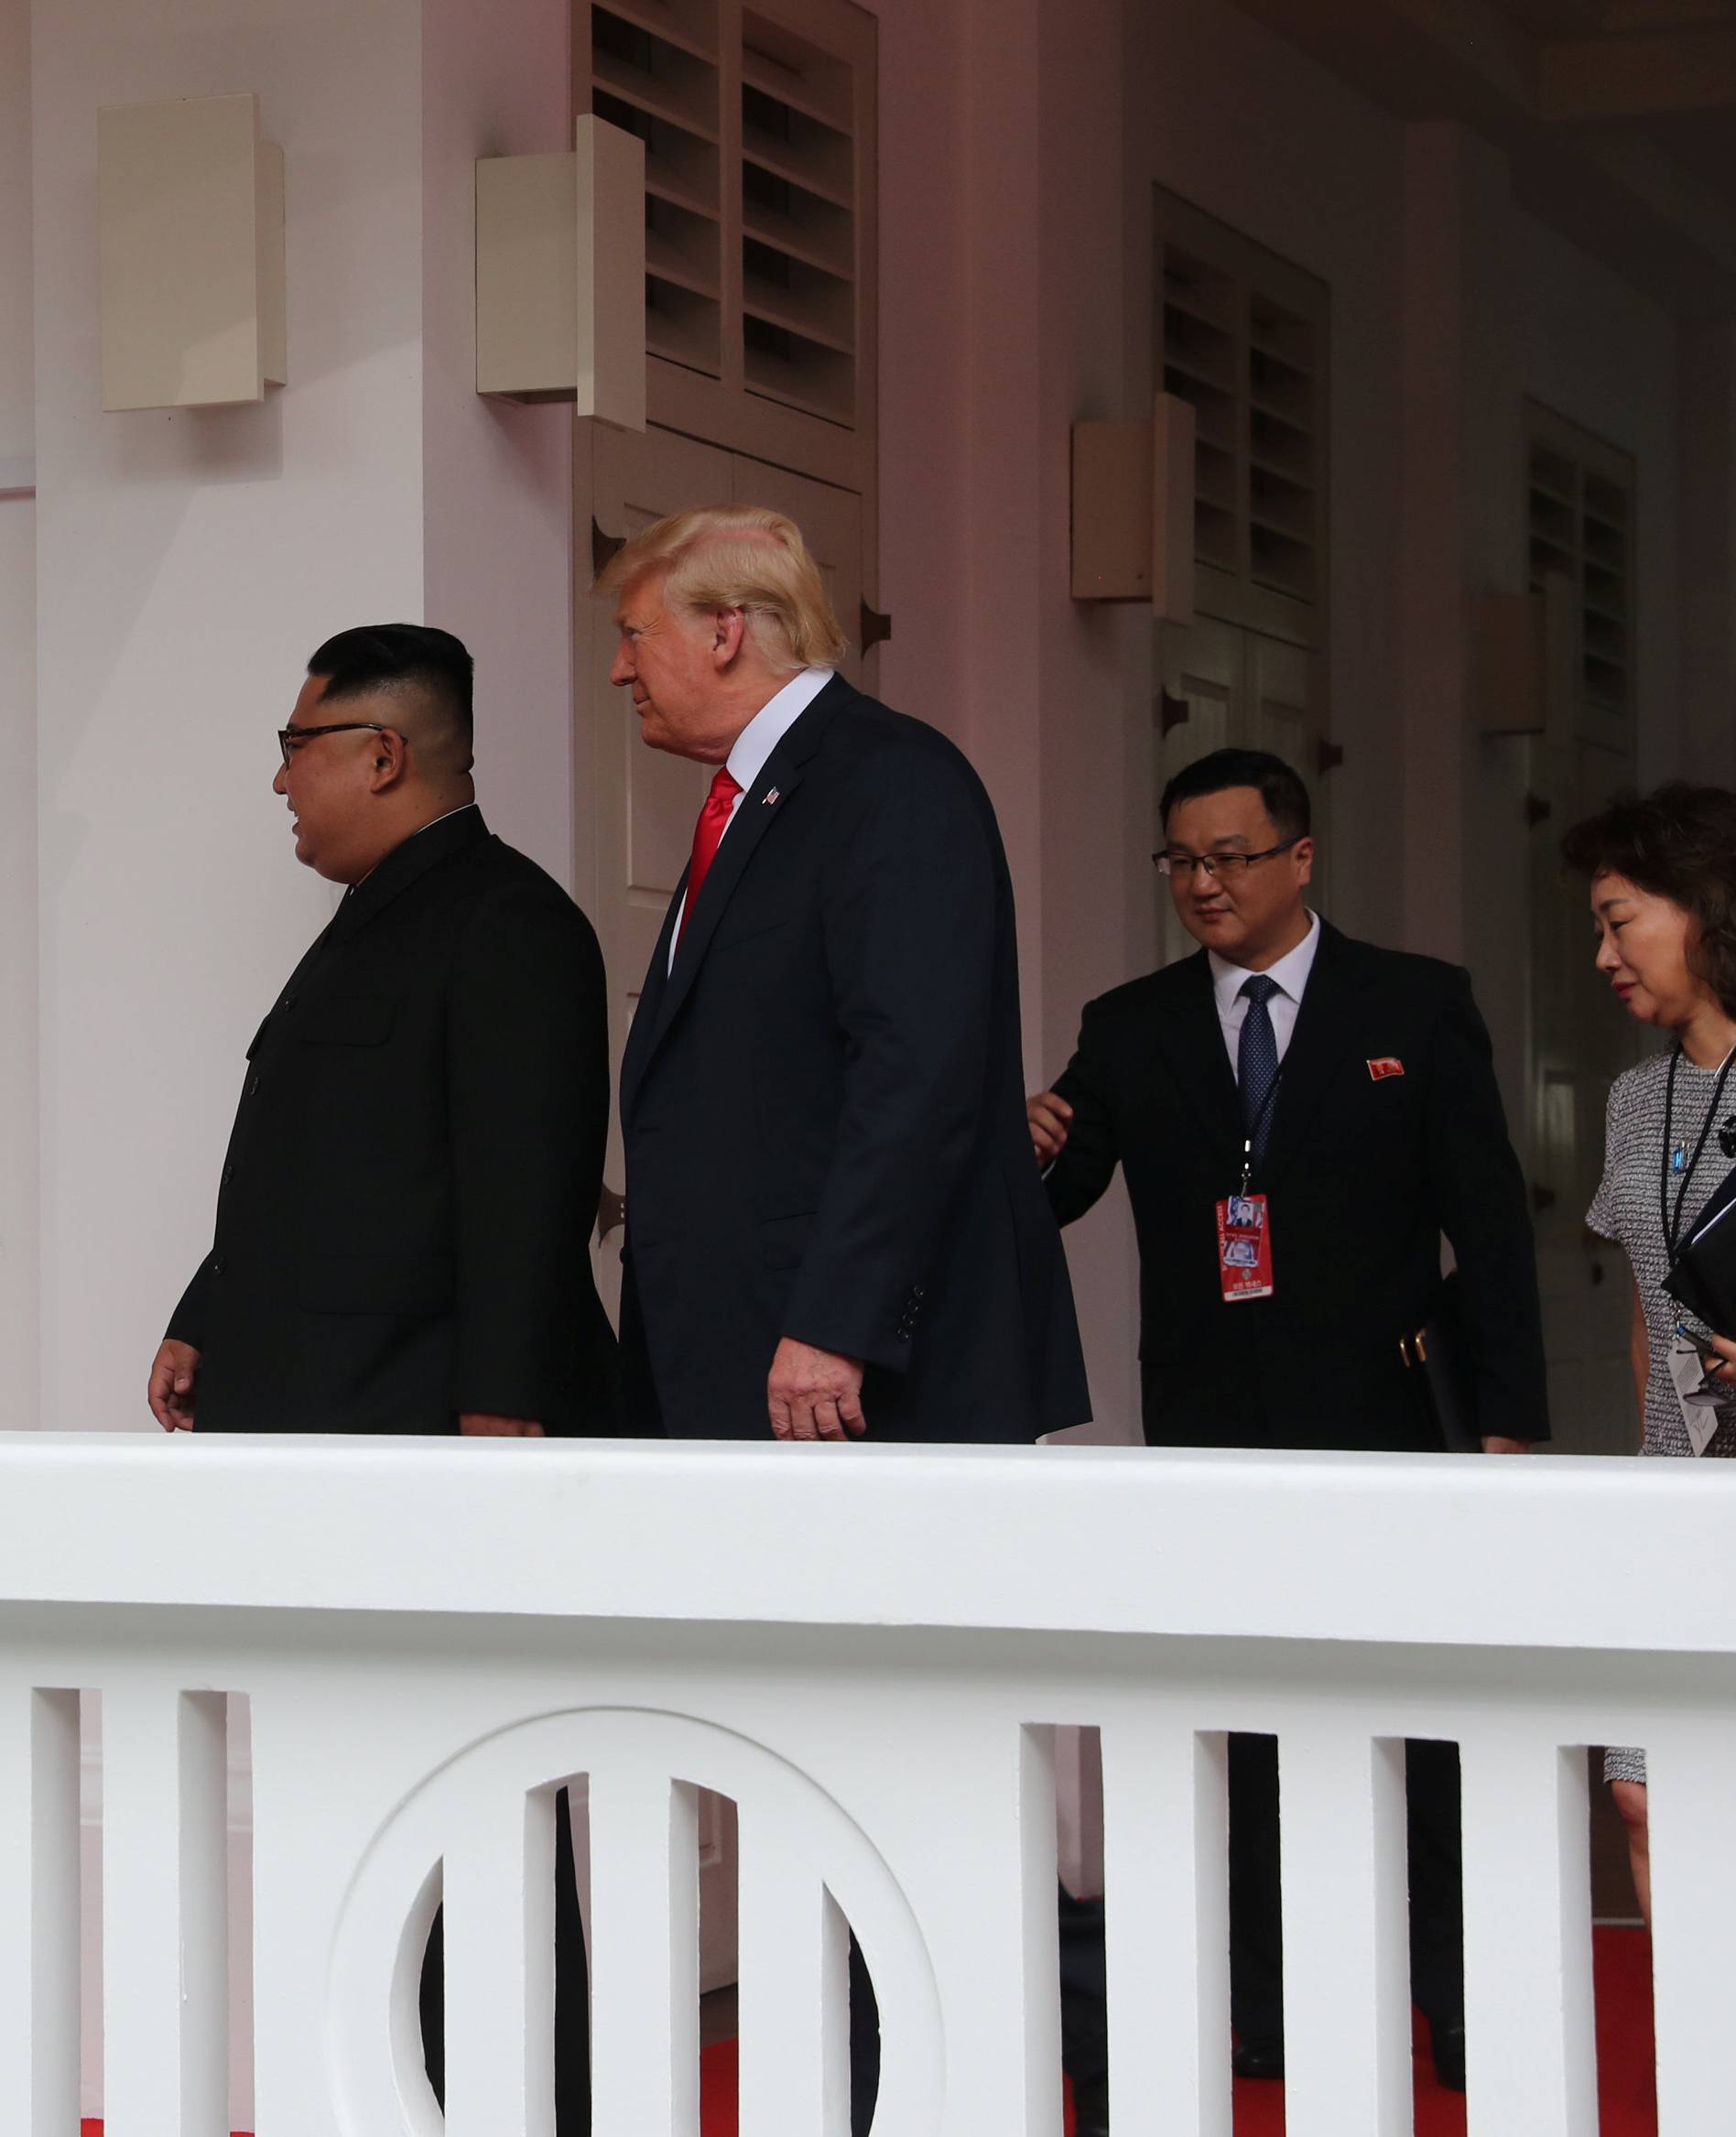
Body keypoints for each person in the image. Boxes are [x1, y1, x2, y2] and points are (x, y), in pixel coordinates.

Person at [597, 504, 1090, 2131]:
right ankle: (847, 2089)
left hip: (863, 1385)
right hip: (771, 1382)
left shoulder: (892, 783)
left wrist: (834, 1319)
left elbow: (919, 1072)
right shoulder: (760, 802)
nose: (622, 668)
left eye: (637, 634)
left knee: (900, 1772)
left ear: (727, 630)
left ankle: (938, 2095)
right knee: (805, 1760)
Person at [146, 622, 615, 2128]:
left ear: (382, 751)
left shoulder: (505, 919)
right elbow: (330, 1168)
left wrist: (499, 1416)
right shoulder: (376, 915)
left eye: (297, 744)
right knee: (364, 1799)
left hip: (433, 1442)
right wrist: (204, 1307)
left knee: (476, 1798)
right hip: (331, 1443)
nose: (278, 778)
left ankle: (522, 2100)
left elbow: (522, 1193)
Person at [1028, 747, 1549, 2098]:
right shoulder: (1132, 1023)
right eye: (1182, 862)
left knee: (1419, 1720)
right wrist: (1011, 1153)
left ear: (1299, 857)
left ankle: (1450, 1993)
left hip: (1384, 1415)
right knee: (1240, 1718)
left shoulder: (1414, 1006)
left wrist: (1509, 1421)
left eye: (1231, 858)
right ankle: (1255, 2000)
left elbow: (1488, 1223)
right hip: (1209, 1424)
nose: (1203, 885)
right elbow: (1056, 1199)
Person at [1566, 782, 1736, 1925]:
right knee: (1646, 1799)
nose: (1602, 955)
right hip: (1679, 1518)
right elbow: (1648, 1316)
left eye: (1618, 918)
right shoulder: (1637, 1102)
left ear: (1707, 908)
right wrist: (1653, 1499)